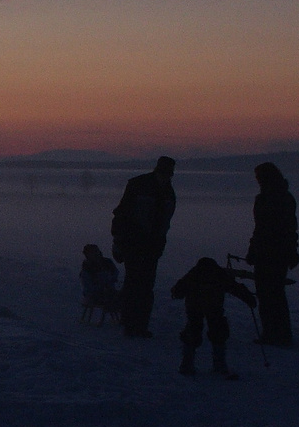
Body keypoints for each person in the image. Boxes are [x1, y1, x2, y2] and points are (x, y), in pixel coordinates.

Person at [109, 156, 177, 338]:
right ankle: (130, 324)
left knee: (146, 287)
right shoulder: (138, 185)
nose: (167, 176)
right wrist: (118, 239)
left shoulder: (169, 192)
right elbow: (121, 213)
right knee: (134, 284)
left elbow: (165, 223)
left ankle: (140, 325)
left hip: (152, 247)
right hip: (133, 243)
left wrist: (160, 244)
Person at [170, 258, 256, 379]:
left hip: (195, 306)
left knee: (192, 331)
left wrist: (176, 292)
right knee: (218, 332)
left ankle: (187, 364)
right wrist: (248, 298)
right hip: (214, 307)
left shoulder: (194, 273)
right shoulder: (219, 274)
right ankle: (219, 364)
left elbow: (179, 289)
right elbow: (235, 287)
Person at [245, 162, 299, 346]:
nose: (257, 180)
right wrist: (253, 249)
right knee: (269, 294)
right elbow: (260, 228)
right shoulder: (275, 197)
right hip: (269, 251)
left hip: (275, 252)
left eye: (259, 177)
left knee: (272, 294)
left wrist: (291, 250)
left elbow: (287, 228)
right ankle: (274, 333)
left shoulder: (276, 198)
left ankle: (277, 334)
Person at [77, 244, 120, 325]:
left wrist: (111, 279)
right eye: (92, 252)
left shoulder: (107, 262)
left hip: (109, 290)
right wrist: (100, 287)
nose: (95, 254)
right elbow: (88, 287)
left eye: (96, 251)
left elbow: (115, 272)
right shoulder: (87, 268)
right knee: (110, 297)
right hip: (94, 295)